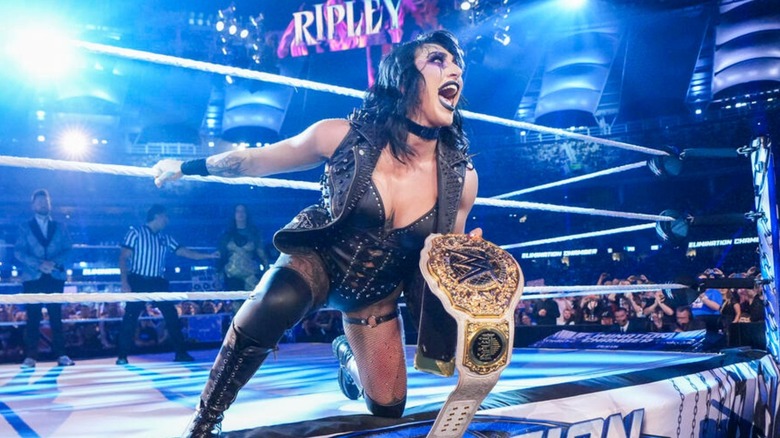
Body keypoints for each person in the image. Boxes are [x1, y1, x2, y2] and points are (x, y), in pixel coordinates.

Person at [153, 30, 477, 437]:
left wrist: (466, 261)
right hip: (318, 260)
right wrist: (187, 167)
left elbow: (444, 261)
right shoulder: (340, 136)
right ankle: (205, 419)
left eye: (456, 63)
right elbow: (255, 160)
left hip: (376, 295)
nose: (455, 70)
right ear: (403, 79)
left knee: (386, 413)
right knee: (277, 299)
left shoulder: (461, 179)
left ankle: (350, 358)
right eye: (437, 60)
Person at [116, 204, 219, 365]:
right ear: (157, 216)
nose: (167, 220)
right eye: (165, 216)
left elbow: (185, 252)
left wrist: (208, 256)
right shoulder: (136, 233)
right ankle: (122, 355)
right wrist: (124, 281)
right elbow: (123, 257)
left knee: (171, 315)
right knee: (130, 317)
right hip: (138, 280)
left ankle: (181, 352)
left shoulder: (164, 237)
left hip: (158, 281)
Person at [14, 189, 75, 368]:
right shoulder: (24, 227)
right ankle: (30, 356)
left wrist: (53, 263)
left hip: (55, 276)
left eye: (45, 201)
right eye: (39, 201)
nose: (43, 204)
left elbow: (69, 249)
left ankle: (61, 355)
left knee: (56, 316)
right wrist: (38, 264)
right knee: (33, 317)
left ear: (50, 204)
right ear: (33, 205)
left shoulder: (60, 226)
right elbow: (18, 251)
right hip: (33, 276)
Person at [216, 204, 268, 291]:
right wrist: (218, 274)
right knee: (236, 303)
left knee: (252, 302)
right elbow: (221, 256)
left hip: (251, 275)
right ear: (234, 214)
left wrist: (266, 274)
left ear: (247, 214)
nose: (240, 214)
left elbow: (262, 255)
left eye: (243, 211)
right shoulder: (226, 235)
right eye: (238, 211)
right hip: (232, 274)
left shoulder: (254, 234)